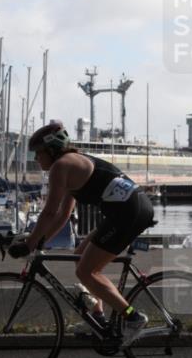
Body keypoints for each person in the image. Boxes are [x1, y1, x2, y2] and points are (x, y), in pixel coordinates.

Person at [9, 121, 155, 343]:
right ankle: (97, 316)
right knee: (80, 256)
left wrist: (30, 243)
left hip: (128, 213)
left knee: (87, 272)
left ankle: (132, 317)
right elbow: (62, 215)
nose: (36, 159)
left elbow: (48, 212)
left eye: (38, 153)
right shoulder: (71, 163)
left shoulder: (61, 166)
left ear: (52, 149)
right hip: (127, 210)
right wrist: (39, 241)